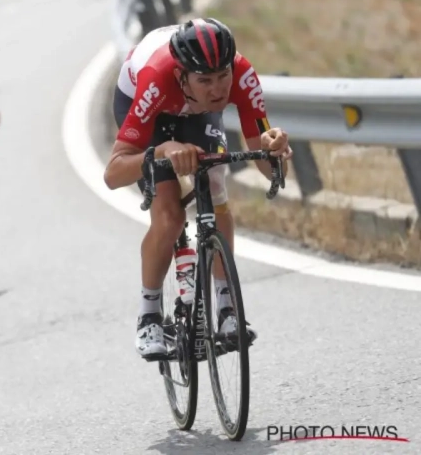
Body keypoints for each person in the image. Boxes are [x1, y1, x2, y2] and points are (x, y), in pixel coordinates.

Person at [103, 18, 293, 360]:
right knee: (170, 216)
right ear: (182, 75)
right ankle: (149, 316)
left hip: (195, 113)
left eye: (223, 77)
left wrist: (276, 151)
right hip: (149, 108)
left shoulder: (241, 74)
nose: (217, 89)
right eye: (205, 80)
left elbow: (265, 164)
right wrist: (162, 150)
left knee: (216, 185)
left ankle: (226, 309)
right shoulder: (157, 78)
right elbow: (113, 174)